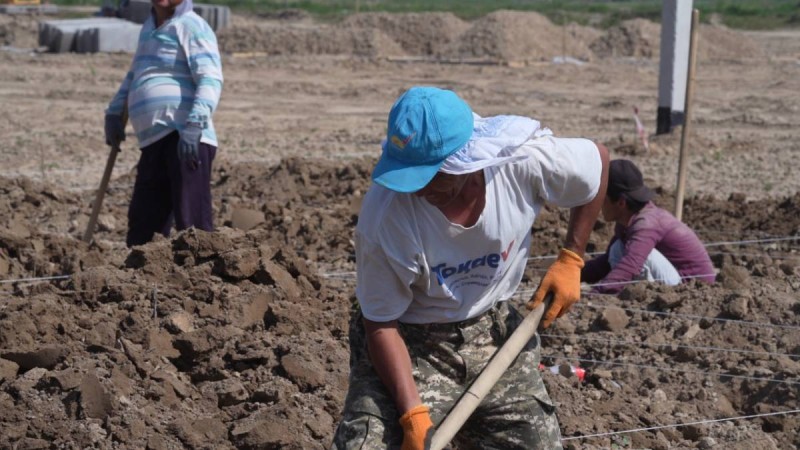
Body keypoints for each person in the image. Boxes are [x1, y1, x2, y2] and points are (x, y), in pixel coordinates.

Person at [331, 86, 609, 449]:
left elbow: (599, 161)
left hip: (494, 335)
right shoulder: (385, 217)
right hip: (411, 342)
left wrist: (572, 257)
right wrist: (412, 413)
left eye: (431, 175)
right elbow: (380, 323)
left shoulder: (520, 162)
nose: (418, 188)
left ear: (464, 159)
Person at [104, 0, 223, 247]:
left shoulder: (192, 25)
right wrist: (115, 112)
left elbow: (210, 77)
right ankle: (139, 279)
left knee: (192, 225)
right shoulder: (149, 26)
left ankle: (202, 279)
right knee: (144, 225)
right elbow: (135, 74)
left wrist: (195, 124)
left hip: (184, 137)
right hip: (152, 140)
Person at [581, 159, 716, 294]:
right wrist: (571, 275)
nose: (598, 205)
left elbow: (630, 265)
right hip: (672, 278)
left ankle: (637, 298)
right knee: (617, 248)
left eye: (602, 199)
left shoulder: (646, 224)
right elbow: (605, 264)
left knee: (637, 255)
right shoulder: (628, 221)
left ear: (621, 203)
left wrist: (596, 294)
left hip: (690, 291)